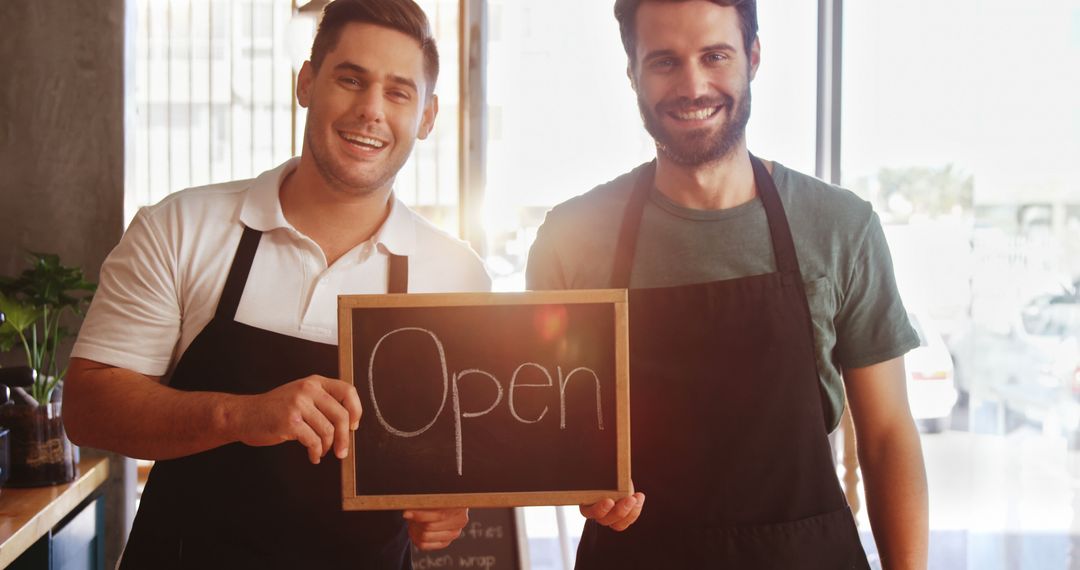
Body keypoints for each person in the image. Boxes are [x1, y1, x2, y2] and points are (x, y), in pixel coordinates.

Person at [64, 0, 489, 567]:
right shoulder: (181, 227)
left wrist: (447, 508)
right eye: (350, 79)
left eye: (398, 92)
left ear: (428, 117)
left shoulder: (458, 274)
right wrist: (239, 416)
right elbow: (88, 407)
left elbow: (454, 458)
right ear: (307, 83)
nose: (370, 111)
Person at [526, 0, 929, 568]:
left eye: (715, 56)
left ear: (753, 57)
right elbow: (545, 425)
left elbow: (886, 436)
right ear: (632, 73)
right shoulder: (571, 239)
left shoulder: (840, 226)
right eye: (664, 61)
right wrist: (580, 482)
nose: (693, 86)